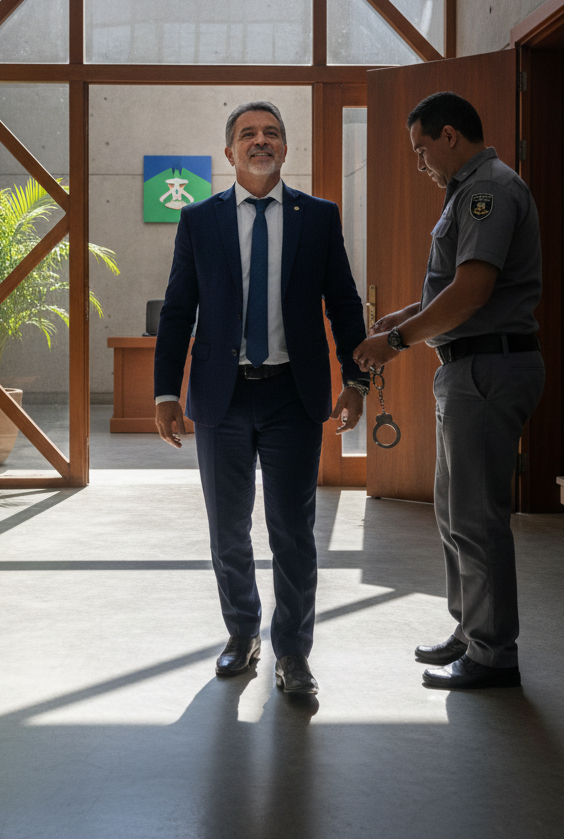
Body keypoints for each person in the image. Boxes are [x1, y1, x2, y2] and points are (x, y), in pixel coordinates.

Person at [154, 100, 369, 696]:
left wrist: (356, 380)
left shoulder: (318, 218)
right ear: (229, 152)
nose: (260, 141)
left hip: (293, 399)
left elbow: (344, 304)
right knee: (228, 529)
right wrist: (166, 390)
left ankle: (293, 654)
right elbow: (178, 311)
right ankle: (242, 632)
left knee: (292, 531)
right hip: (221, 400)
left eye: (271, 133)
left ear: (285, 147)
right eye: (248, 134)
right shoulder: (200, 221)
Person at [353, 91, 544, 690]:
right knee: (453, 509)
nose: (420, 163)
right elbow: (449, 292)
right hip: (466, 369)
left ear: (449, 137)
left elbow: (471, 293)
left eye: (421, 149)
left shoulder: (489, 191)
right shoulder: (467, 192)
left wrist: (399, 340)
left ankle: (493, 654)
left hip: (487, 369)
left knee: (477, 515)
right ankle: (470, 630)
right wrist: (403, 317)